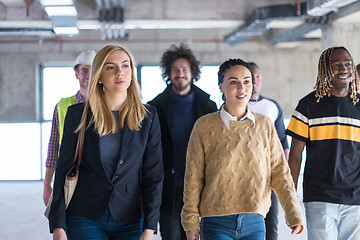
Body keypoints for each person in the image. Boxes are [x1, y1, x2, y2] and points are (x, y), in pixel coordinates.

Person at [48, 45, 164, 240]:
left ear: (132, 73)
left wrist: (150, 227)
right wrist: (58, 225)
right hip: (85, 215)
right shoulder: (78, 115)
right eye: (111, 67)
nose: (120, 72)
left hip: (132, 217)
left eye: (125, 66)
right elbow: (63, 168)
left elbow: (154, 174)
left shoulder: (148, 116)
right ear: (99, 75)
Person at [182, 59, 304, 240]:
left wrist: (293, 213)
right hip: (215, 221)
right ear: (221, 86)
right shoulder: (204, 126)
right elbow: (193, 176)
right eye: (233, 82)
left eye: (247, 81)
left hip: (254, 220)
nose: (242, 88)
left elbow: (280, 172)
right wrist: (190, 221)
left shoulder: (265, 125)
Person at [286, 46, 360, 240]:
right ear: (325, 70)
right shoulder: (308, 105)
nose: (343, 69)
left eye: (347, 64)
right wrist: (290, 198)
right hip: (319, 195)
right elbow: (295, 155)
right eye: (336, 65)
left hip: (356, 198)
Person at [148, 43, 218, 240]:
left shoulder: (208, 105)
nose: (180, 74)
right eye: (175, 70)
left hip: (201, 187)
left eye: (184, 70)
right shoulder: (155, 108)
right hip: (168, 188)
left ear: (192, 72)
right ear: (168, 73)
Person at [43, 50, 96, 206]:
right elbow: (53, 148)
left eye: (92, 70)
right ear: (76, 74)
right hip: (68, 174)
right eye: (84, 70)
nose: (88, 75)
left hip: (97, 176)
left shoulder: (109, 105)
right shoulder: (62, 106)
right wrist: (47, 184)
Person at [247, 62, 289, 240]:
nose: (255, 81)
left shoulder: (271, 106)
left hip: (268, 180)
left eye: (257, 76)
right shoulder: (231, 107)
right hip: (242, 180)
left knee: (270, 229)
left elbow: (283, 143)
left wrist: (282, 176)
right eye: (251, 77)